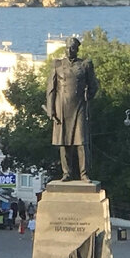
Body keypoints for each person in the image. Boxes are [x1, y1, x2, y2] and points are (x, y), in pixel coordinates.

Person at [44, 36, 99, 181]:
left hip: (79, 106)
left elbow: (94, 85)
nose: (69, 51)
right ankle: (66, 173)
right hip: (61, 106)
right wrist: (51, 109)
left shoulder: (85, 65)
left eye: (72, 48)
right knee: (64, 143)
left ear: (77, 49)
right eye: (67, 48)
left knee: (81, 142)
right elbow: (51, 89)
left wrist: (89, 95)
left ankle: (84, 173)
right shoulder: (57, 65)